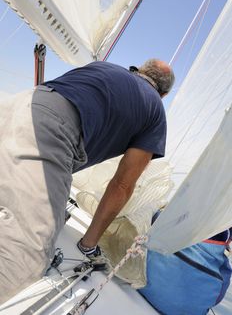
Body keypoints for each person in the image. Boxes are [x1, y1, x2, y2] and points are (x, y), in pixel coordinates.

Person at [0, 59, 174, 304]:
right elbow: (122, 185)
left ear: (140, 71)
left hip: (15, 106)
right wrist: (88, 244)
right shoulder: (156, 111)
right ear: (164, 94)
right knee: (22, 260)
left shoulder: (105, 67)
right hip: (49, 134)